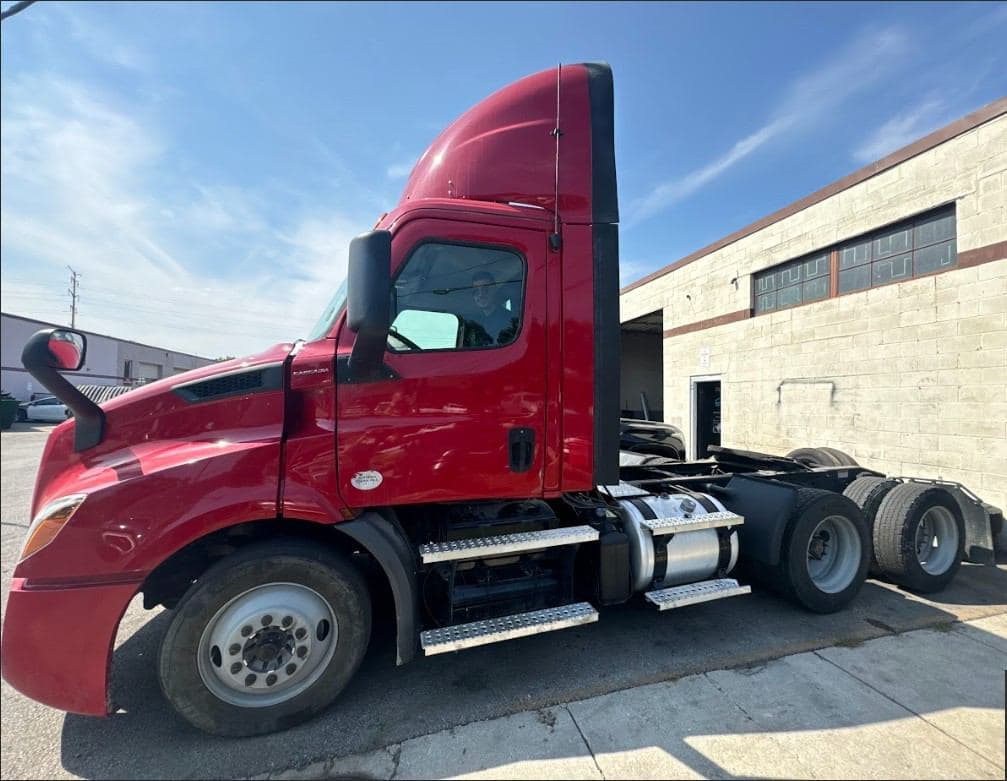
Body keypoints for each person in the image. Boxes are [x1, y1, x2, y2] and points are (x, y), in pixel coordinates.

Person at [464, 270, 517, 347]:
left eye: (485, 289)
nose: (481, 295)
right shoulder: (473, 321)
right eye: (476, 291)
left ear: (494, 290)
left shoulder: (509, 319)